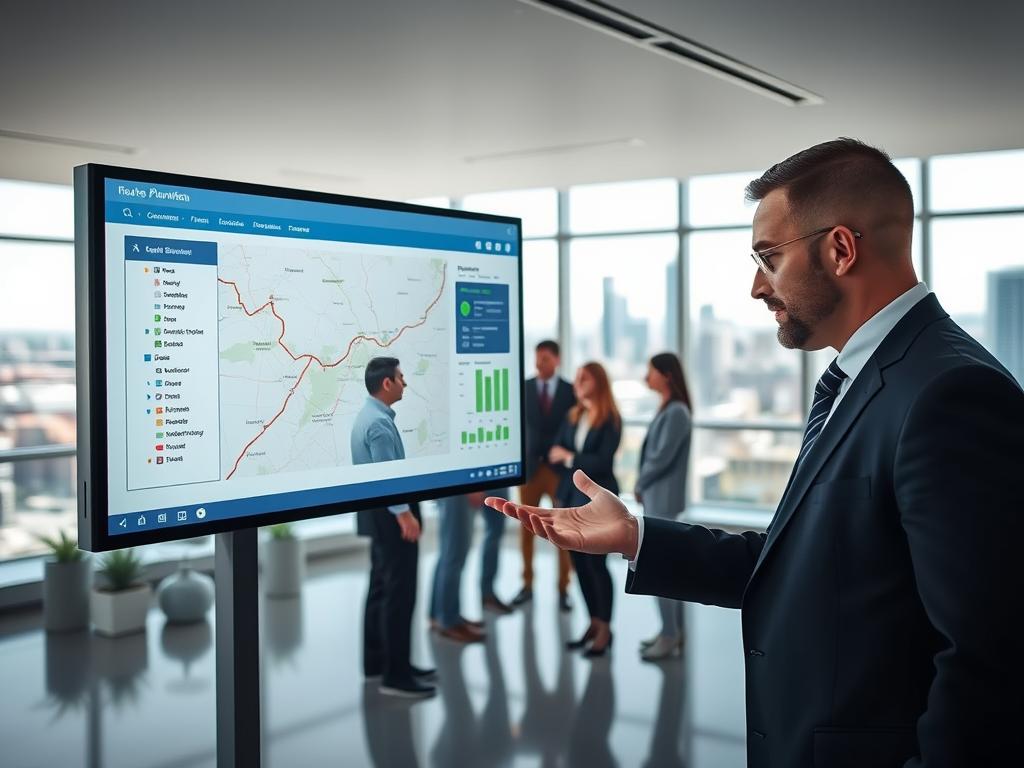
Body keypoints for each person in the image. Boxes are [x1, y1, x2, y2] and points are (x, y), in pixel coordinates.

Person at [485, 139, 1024, 766]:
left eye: (768, 257)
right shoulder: (866, 380)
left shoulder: (949, 394)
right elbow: (799, 565)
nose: (755, 287)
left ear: (840, 250)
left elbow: (992, 670)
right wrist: (636, 537)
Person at [351, 356, 436, 699]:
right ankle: (396, 675)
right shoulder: (379, 424)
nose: (405, 383)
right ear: (386, 383)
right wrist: (404, 514)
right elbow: (388, 479)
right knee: (399, 594)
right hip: (391, 516)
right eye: (401, 378)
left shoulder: (368, 415)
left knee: (380, 588)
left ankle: (378, 664)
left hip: (376, 514)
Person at [550, 361, 621, 658]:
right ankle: (593, 621)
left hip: (597, 503)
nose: (577, 384)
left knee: (597, 565)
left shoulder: (610, 419)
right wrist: (571, 460)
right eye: (577, 378)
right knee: (579, 564)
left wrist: (570, 458)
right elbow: (555, 451)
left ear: (599, 383)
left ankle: (605, 628)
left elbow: (602, 463)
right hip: (570, 499)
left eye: (584, 379)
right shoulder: (574, 415)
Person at [634, 352, 692, 662]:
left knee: (661, 570)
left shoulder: (677, 412)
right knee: (668, 570)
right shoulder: (669, 409)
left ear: (667, 375)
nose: (647, 376)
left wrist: (639, 483)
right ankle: (671, 631)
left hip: (662, 501)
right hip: (658, 499)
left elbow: (660, 458)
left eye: (651, 370)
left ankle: (670, 635)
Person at [513, 339, 577, 611]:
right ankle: (527, 584)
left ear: (557, 360)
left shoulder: (570, 391)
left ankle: (564, 588)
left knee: (562, 530)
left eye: (546, 359)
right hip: (530, 469)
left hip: (557, 471)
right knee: (526, 528)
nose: (540, 363)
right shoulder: (523, 387)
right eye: (538, 358)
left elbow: (574, 428)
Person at [429, 492, 487, 643]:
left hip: (451, 490)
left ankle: (438, 615)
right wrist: (473, 488)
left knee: (448, 553)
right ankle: (449, 621)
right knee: (454, 555)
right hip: (459, 490)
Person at [479, 487, 513, 615]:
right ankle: (487, 595)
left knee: (494, 536)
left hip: (498, 482)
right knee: (493, 537)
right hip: (490, 484)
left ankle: (488, 594)